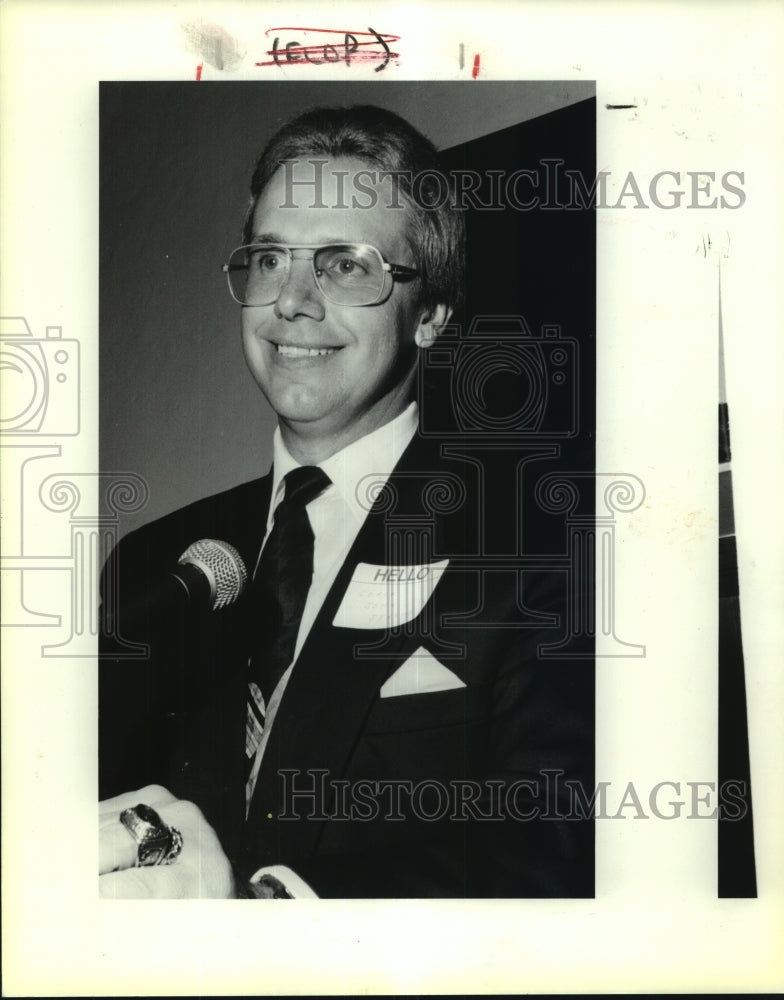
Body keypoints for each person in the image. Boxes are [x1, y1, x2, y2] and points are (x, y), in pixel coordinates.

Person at [98, 104, 594, 898]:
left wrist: (263, 910)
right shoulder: (162, 561)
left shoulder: (540, 544)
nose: (292, 300)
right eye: (270, 259)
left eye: (345, 264)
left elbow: (558, 850)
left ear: (430, 314)